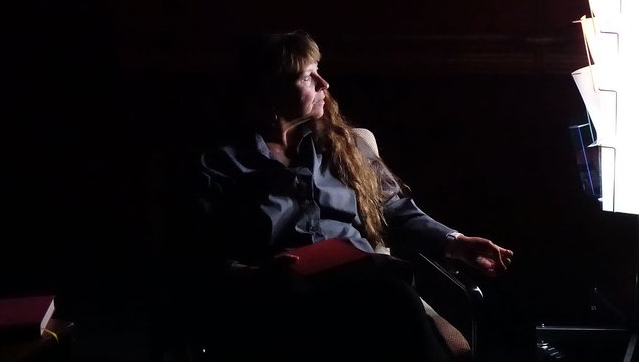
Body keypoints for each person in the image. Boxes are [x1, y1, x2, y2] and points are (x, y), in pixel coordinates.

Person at [187, 30, 514, 362]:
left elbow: (394, 208)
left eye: (319, 70)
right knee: (386, 305)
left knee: (390, 298)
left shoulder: (344, 146)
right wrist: (254, 274)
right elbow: (198, 253)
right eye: (307, 77)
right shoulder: (219, 163)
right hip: (283, 295)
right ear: (271, 90)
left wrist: (455, 242)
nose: (324, 83)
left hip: (362, 280)